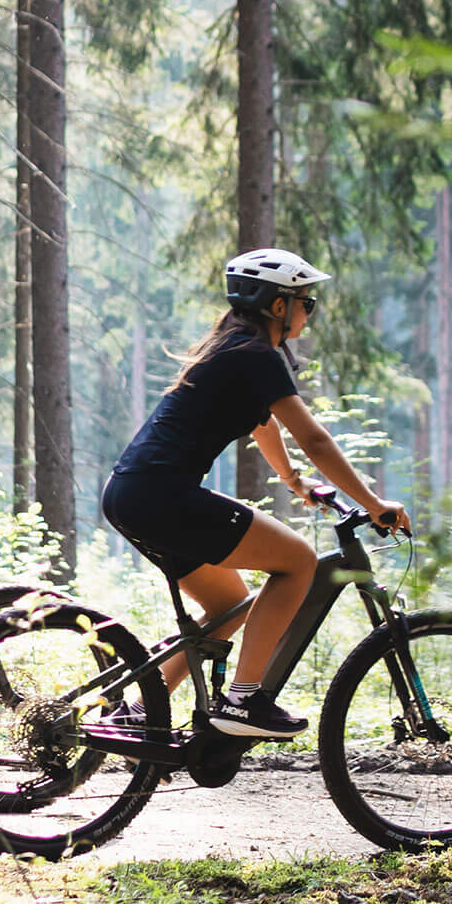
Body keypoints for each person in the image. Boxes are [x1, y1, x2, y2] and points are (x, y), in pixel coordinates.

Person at [101, 248, 410, 739]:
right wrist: (375, 505)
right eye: (306, 301)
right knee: (297, 561)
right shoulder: (255, 355)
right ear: (279, 306)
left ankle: (138, 712)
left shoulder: (232, 350)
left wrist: (294, 482)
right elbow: (315, 439)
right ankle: (245, 701)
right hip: (161, 496)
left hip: (129, 494)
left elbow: (263, 425)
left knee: (230, 603)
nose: (311, 311)